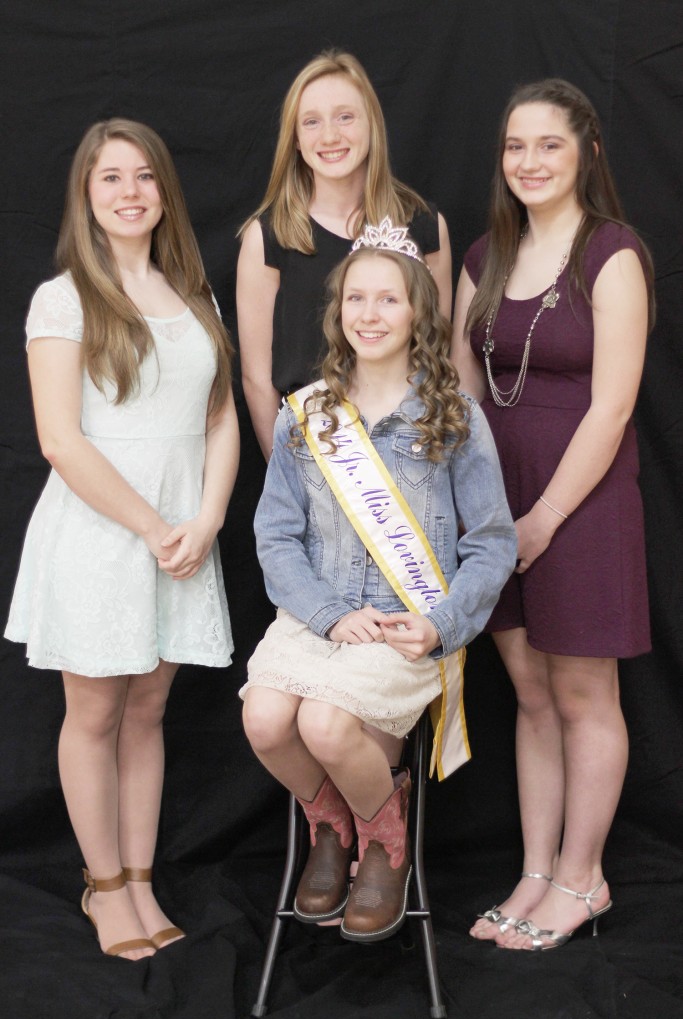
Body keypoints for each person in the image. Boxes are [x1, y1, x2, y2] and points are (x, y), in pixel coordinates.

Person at [240, 222, 517, 943]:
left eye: (386, 299)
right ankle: (333, 824)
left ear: (417, 313)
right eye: (355, 298)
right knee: (266, 720)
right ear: (338, 313)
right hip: (317, 615)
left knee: (326, 725)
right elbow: (275, 536)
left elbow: (490, 544)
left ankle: (384, 847)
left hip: (403, 626)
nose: (368, 313)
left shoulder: (455, 418)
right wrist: (328, 614)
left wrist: (442, 624)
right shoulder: (307, 417)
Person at [4, 119, 239, 959]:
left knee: (149, 710)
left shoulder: (194, 293)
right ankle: (103, 887)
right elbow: (61, 441)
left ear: (163, 191)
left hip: (184, 532)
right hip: (105, 532)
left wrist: (205, 519)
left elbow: (220, 421)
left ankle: (140, 879)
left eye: (144, 176)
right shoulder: (63, 298)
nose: (131, 192)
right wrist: (151, 527)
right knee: (97, 711)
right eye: (111, 178)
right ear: (87, 195)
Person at [451, 79, 654, 951]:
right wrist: (483, 513)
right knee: (529, 695)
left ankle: (584, 878)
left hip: (581, 499)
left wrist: (540, 521)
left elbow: (611, 408)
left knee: (580, 694)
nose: (527, 162)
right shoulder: (480, 257)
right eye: (513, 147)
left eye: (548, 145)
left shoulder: (611, 254)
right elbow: (458, 390)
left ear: (587, 154)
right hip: (495, 501)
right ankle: (536, 873)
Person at [237, 49, 452, 462]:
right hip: (310, 454)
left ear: (372, 124)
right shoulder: (268, 237)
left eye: (345, 117)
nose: (330, 136)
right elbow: (256, 379)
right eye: (312, 122)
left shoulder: (423, 226)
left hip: (408, 454)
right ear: (296, 140)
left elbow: (439, 357)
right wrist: (284, 473)